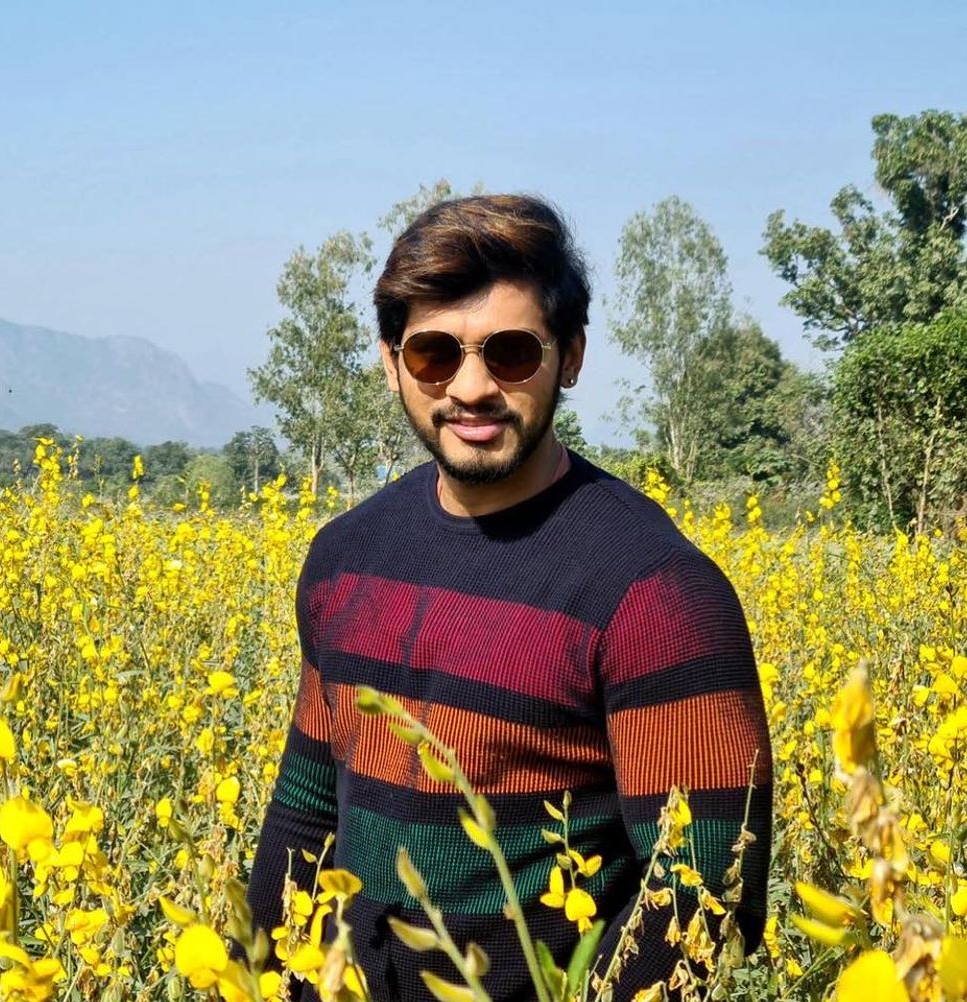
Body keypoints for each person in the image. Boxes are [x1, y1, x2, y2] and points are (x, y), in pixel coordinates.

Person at [246, 194, 772, 1000]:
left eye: (512, 353)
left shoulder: (657, 595)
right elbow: (304, 818)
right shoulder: (345, 559)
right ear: (391, 363)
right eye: (434, 354)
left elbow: (702, 906)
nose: (472, 387)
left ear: (571, 356)